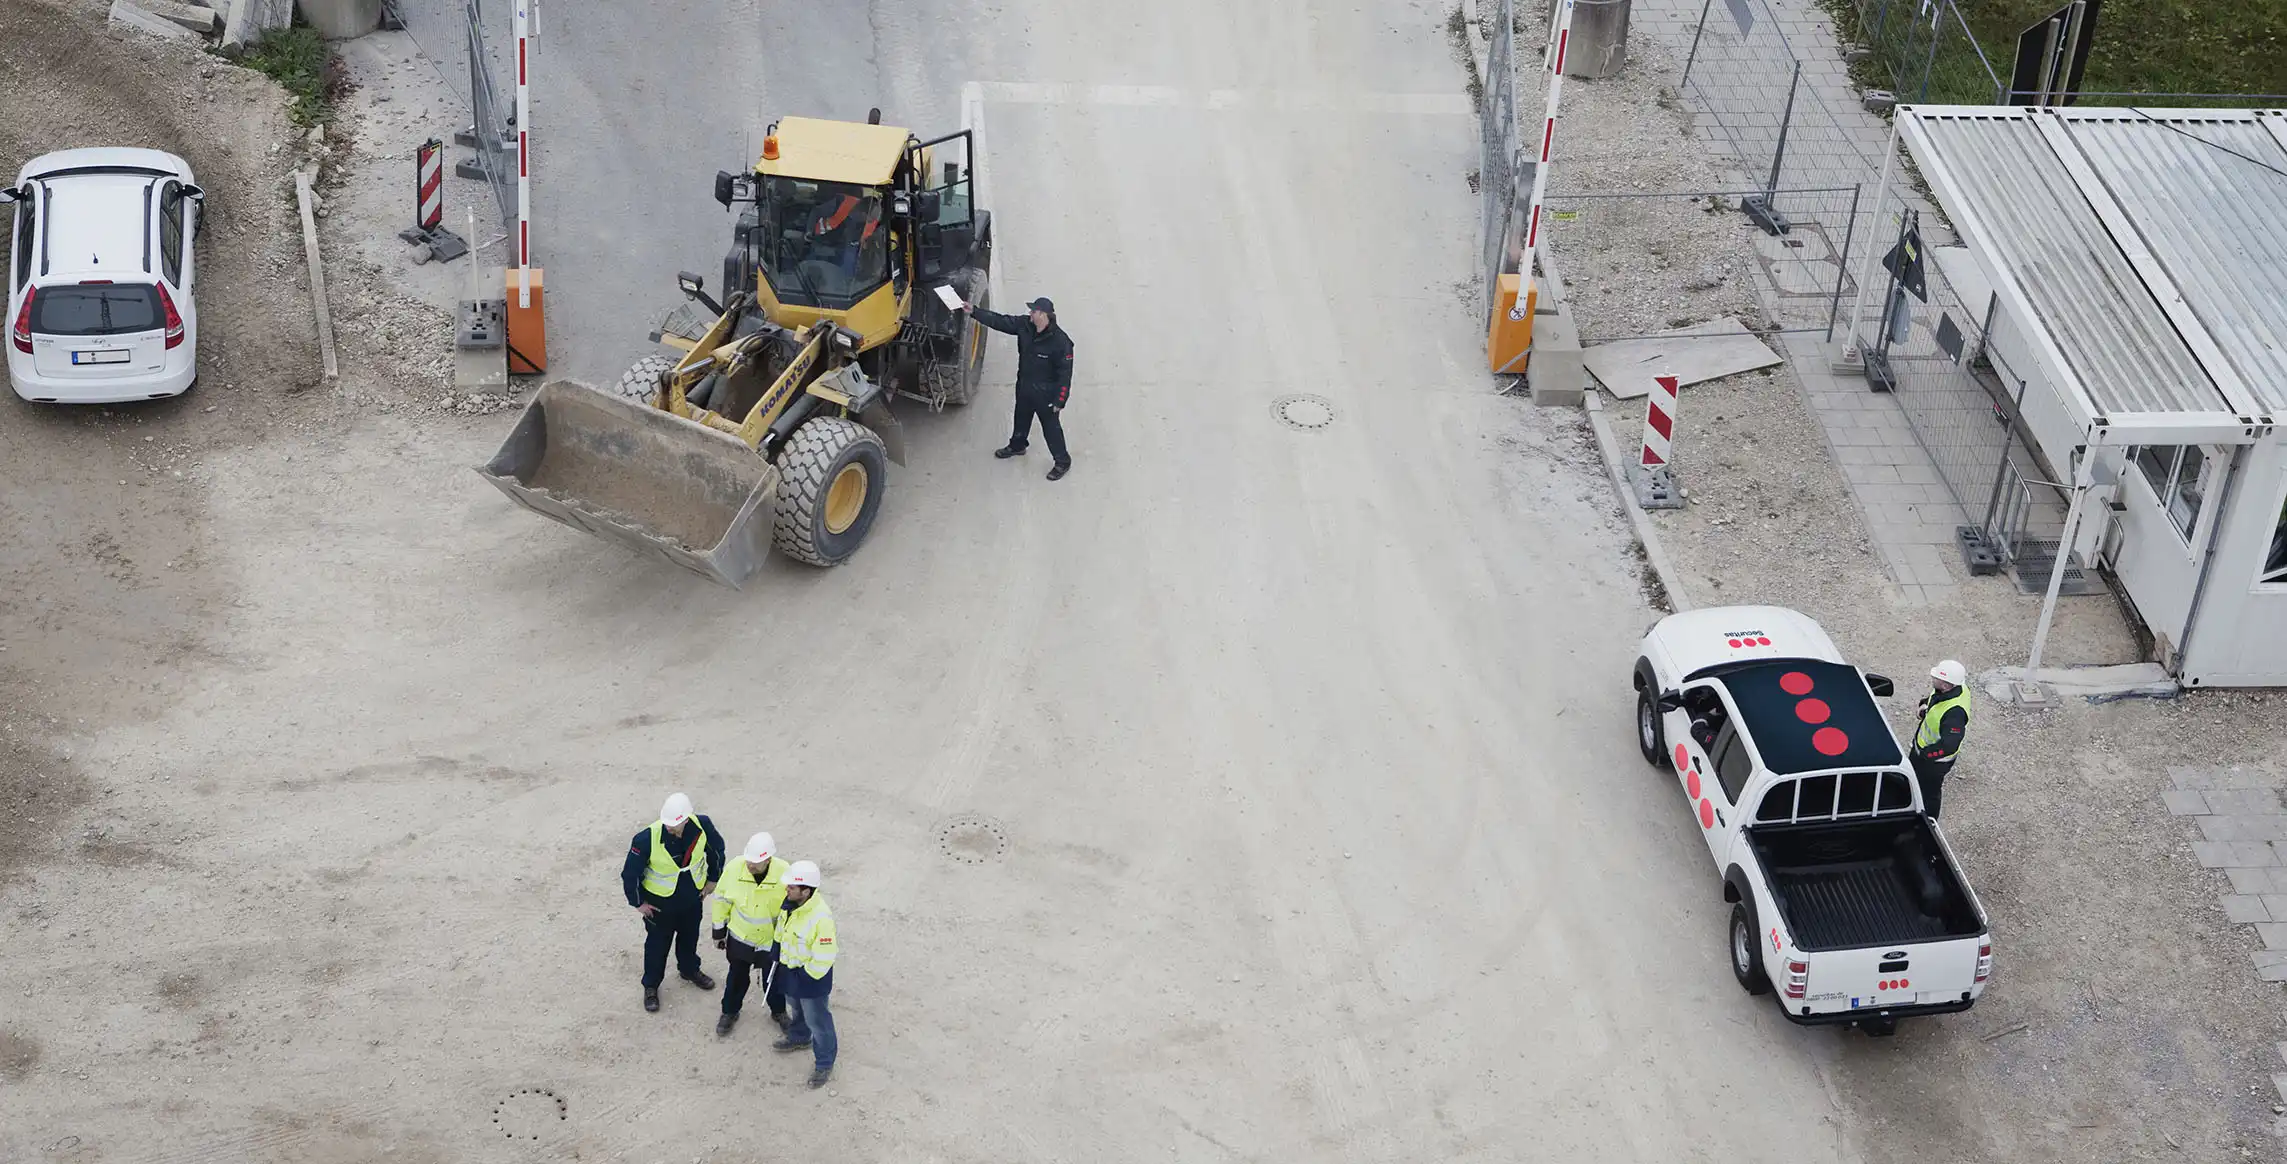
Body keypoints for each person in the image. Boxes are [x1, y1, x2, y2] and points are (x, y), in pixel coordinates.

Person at [619, 792, 724, 1013]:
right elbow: (630, 874)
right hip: (660, 906)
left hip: (692, 899)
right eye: (668, 824)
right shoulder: (646, 839)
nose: (670, 829)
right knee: (657, 946)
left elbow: (716, 850)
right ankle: (651, 986)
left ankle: (689, 970)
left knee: (690, 937)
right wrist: (638, 903)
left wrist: (713, 879)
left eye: (675, 825)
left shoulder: (702, 825)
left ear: (687, 819)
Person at [961, 295, 1074, 481]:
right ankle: (1017, 445)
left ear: (1044, 315)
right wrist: (974, 311)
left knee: (1051, 428)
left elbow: (1065, 376)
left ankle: (1062, 461)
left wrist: (1060, 401)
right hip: (1025, 386)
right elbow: (1000, 321)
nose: (1030, 313)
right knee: (1020, 417)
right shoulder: (1025, 325)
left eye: (1034, 311)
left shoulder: (1061, 343)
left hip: (1046, 395)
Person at [709, 831, 790, 1037]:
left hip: (770, 941)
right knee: (736, 978)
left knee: (772, 980)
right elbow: (721, 900)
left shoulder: (784, 873)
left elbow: (793, 909)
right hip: (740, 938)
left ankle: (778, 1011)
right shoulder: (735, 868)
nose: (750, 865)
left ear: (769, 859)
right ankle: (729, 1011)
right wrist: (719, 932)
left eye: (756, 862)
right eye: (749, 860)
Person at [772, 860, 839, 1088]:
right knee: (796, 1008)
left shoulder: (821, 918)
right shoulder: (790, 906)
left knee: (818, 1021)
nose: (786, 890)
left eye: (791, 887)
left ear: (806, 891)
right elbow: (782, 931)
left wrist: (805, 978)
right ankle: (800, 1037)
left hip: (810, 982)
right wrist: (776, 950)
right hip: (790, 974)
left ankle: (824, 1062)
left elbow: (825, 956)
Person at [1911, 660, 1972, 818]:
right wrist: (1925, 705)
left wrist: (1925, 755)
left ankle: (1929, 820)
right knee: (1913, 781)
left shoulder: (1955, 714)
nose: (1933, 679)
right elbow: (1935, 702)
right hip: (1923, 753)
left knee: (1929, 793)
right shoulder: (1953, 688)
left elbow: (1949, 745)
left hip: (1934, 763)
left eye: (1936, 678)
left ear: (1945, 685)